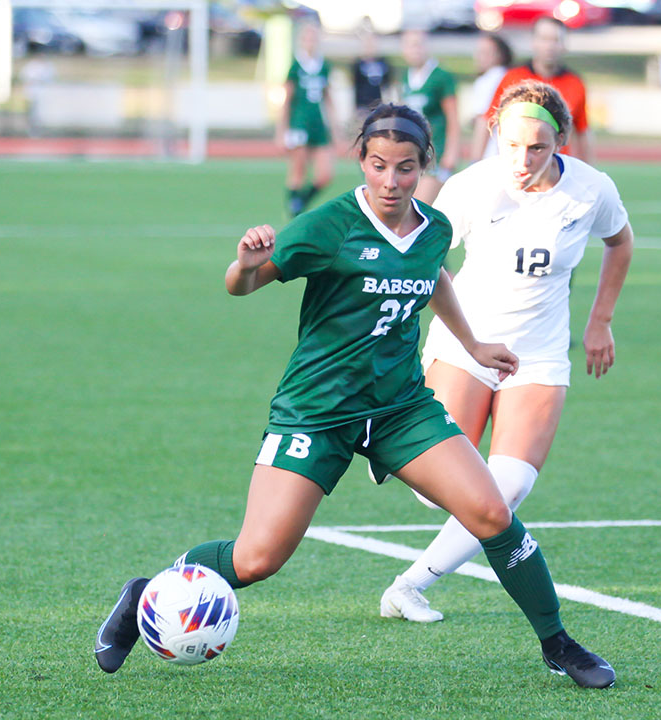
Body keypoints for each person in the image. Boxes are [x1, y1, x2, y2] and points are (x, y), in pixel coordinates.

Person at [95, 103, 617, 690]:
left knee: (493, 512)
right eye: (377, 165)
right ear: (361, 161)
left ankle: (557, 644)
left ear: (425, 165)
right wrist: (244, 264)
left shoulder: (435, 226)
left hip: (400, 408)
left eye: (404, 168)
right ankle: (148, 593)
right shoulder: (329, 225)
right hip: (316, 412)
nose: (390, 181)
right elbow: (241, 285)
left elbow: (431, 275)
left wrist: (471, 342)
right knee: (255, 560)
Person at [375, 81, 634, 635]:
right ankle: (396, 450)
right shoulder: (471, 189)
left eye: (537, 148)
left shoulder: (591, 190)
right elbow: (425, 259)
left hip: (537, 356)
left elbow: (621, 241)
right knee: (435, 489)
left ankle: (409, 586)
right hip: (463, 346)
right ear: (494, 133)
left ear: (560, 142)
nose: (522, 160)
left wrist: (600, 321)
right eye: (511, 145)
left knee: (505, 488)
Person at [473, 18, 592, 164]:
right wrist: (475, 162)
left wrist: (587, 169)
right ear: (533, 42)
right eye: (544, 39)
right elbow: (487, 121)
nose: (549, 46)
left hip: (556, 171)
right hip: (519, 168)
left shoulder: (575, 83)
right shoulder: (513, 78)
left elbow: (583, 131)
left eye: (555, 40)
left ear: (564, 45)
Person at [278, 21, 340, 216]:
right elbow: (287, 100)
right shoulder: (296, 66)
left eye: (314, 37)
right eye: (307, 37)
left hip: (318, 125)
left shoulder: (324, 66)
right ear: (301, 40)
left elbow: (328, 99)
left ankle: (300, 203)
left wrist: (335, 128)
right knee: (298, 171)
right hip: (299, 124)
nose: (311, 42)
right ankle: (293, 212)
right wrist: (282, 130)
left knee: (325, 174)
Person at [399, 28, 460, 204]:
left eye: (418, 45)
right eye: (409, 46)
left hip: (436, 152)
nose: (414, 50)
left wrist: (451, 153)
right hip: (411, 153)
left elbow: (453, 119)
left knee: (419, 208)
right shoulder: (406, 77)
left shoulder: (441, 77)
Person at [466, 33, 512, 162]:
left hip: (490, 152)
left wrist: (475, 159)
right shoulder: (510, 76)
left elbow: (484, 119)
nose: (478, 57)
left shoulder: (488, 80)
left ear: (499, 55)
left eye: (485, 52)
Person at [350, 30, 393, 124]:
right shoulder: (358, 64)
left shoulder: (384, 63)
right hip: (363, 107)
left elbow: (387, 86)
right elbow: (354, 87)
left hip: (380, 106)